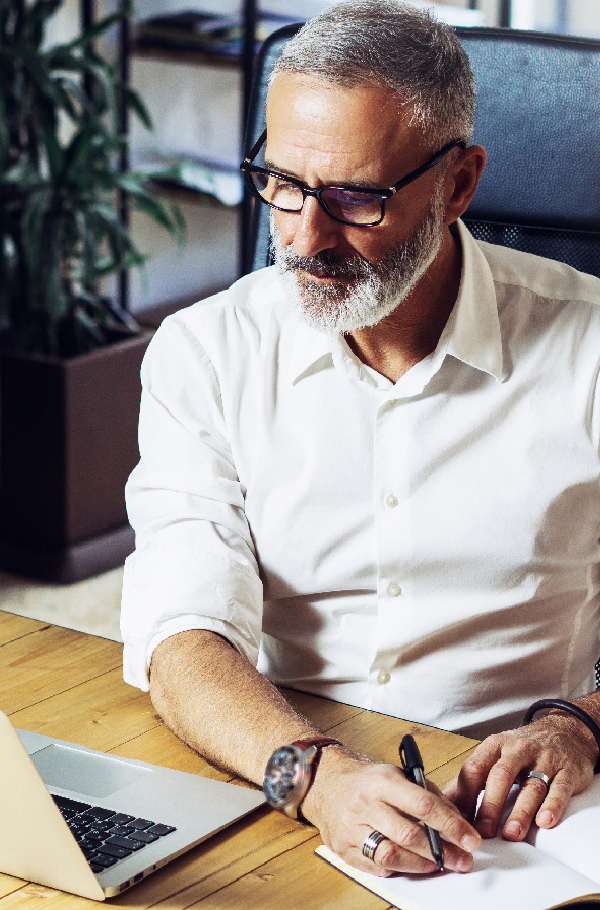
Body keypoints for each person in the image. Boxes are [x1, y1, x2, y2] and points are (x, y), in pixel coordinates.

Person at [121, 0, 600, 879]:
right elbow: (180, 633)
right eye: (285, 184)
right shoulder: (204, 353)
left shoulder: (591, 347)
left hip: (512, 825)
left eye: (354, 198)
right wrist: (314, 778)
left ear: (459, 185)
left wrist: (583, 724)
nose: (306, 238)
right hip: (279, 777)